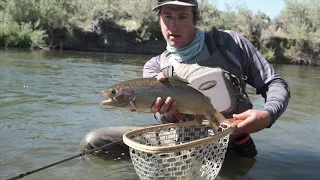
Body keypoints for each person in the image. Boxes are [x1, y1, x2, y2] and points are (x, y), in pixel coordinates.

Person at [80, 0, 290, 160]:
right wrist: (167, 115)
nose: (174, 25)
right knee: (94, 142)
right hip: (177, 145)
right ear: (159, 19)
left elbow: (275, 84)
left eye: (182, 16)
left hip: (230, 144)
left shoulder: (230, 43)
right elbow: (161, 119)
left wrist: (268, 114)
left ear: (195, 18)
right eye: (167, 16)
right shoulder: (155, 66)